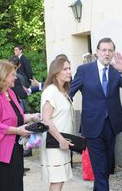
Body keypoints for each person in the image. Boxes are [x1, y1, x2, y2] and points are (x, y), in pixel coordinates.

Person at [70, 38, 122, 191]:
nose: (107, 53)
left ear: (113, 53)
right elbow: (70, 91)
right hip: (92, 126)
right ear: (97, 52)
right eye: (103, 50)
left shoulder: (115, 70)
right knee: (100, 168)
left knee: (107, 166)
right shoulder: (85, 70)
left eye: (110, 50)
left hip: (112, 125)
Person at [0, 60, 40, 191]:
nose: (15, 77)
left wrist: (33, 116)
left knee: (16, 184)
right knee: (6, 185)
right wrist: (17, 131)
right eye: (12, 75)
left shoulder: (11, 93)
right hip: (2, 152)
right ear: (2, 76)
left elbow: (17, 117)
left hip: (16, 148)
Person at [41, 54, 74, 191]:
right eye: (65, 69)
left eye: (69, 68)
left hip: (62, 142)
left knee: (60, 181)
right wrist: (61, 140)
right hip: (55, 142)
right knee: (57, 181)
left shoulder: (63, 91)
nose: (69, 72)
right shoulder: (51, 91)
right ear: (56, 72)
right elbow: (46, 119)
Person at [81, 53, 96, 181]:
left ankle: (89, 173)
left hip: (88, 118)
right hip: (91, 118)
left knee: (88, 149)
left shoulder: (83, 75)